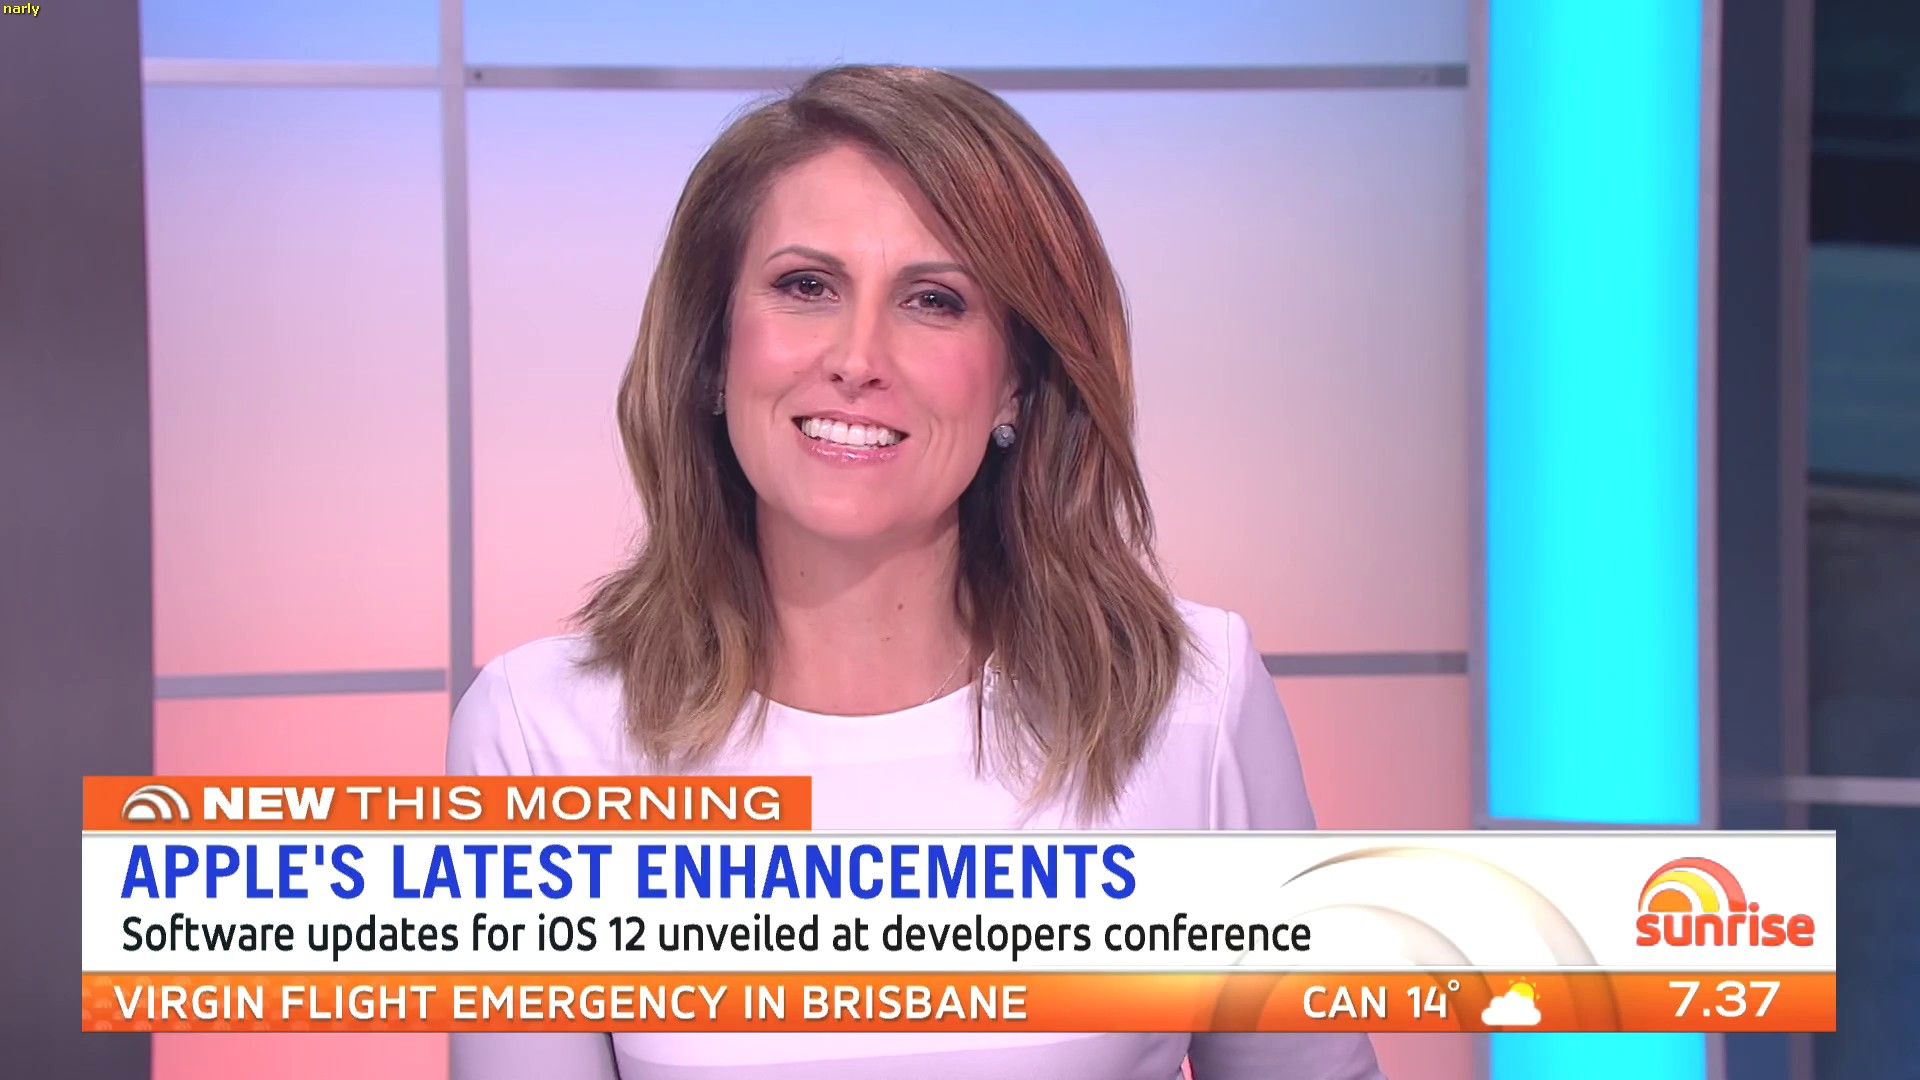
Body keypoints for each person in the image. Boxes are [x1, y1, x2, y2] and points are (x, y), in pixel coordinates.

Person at [447, 63, 1385, 1080]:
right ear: (714, 352)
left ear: (1017, 380)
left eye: (935, 301)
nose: (859, 358)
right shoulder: (539, 737)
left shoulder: (1189, 703)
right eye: (806, 287)